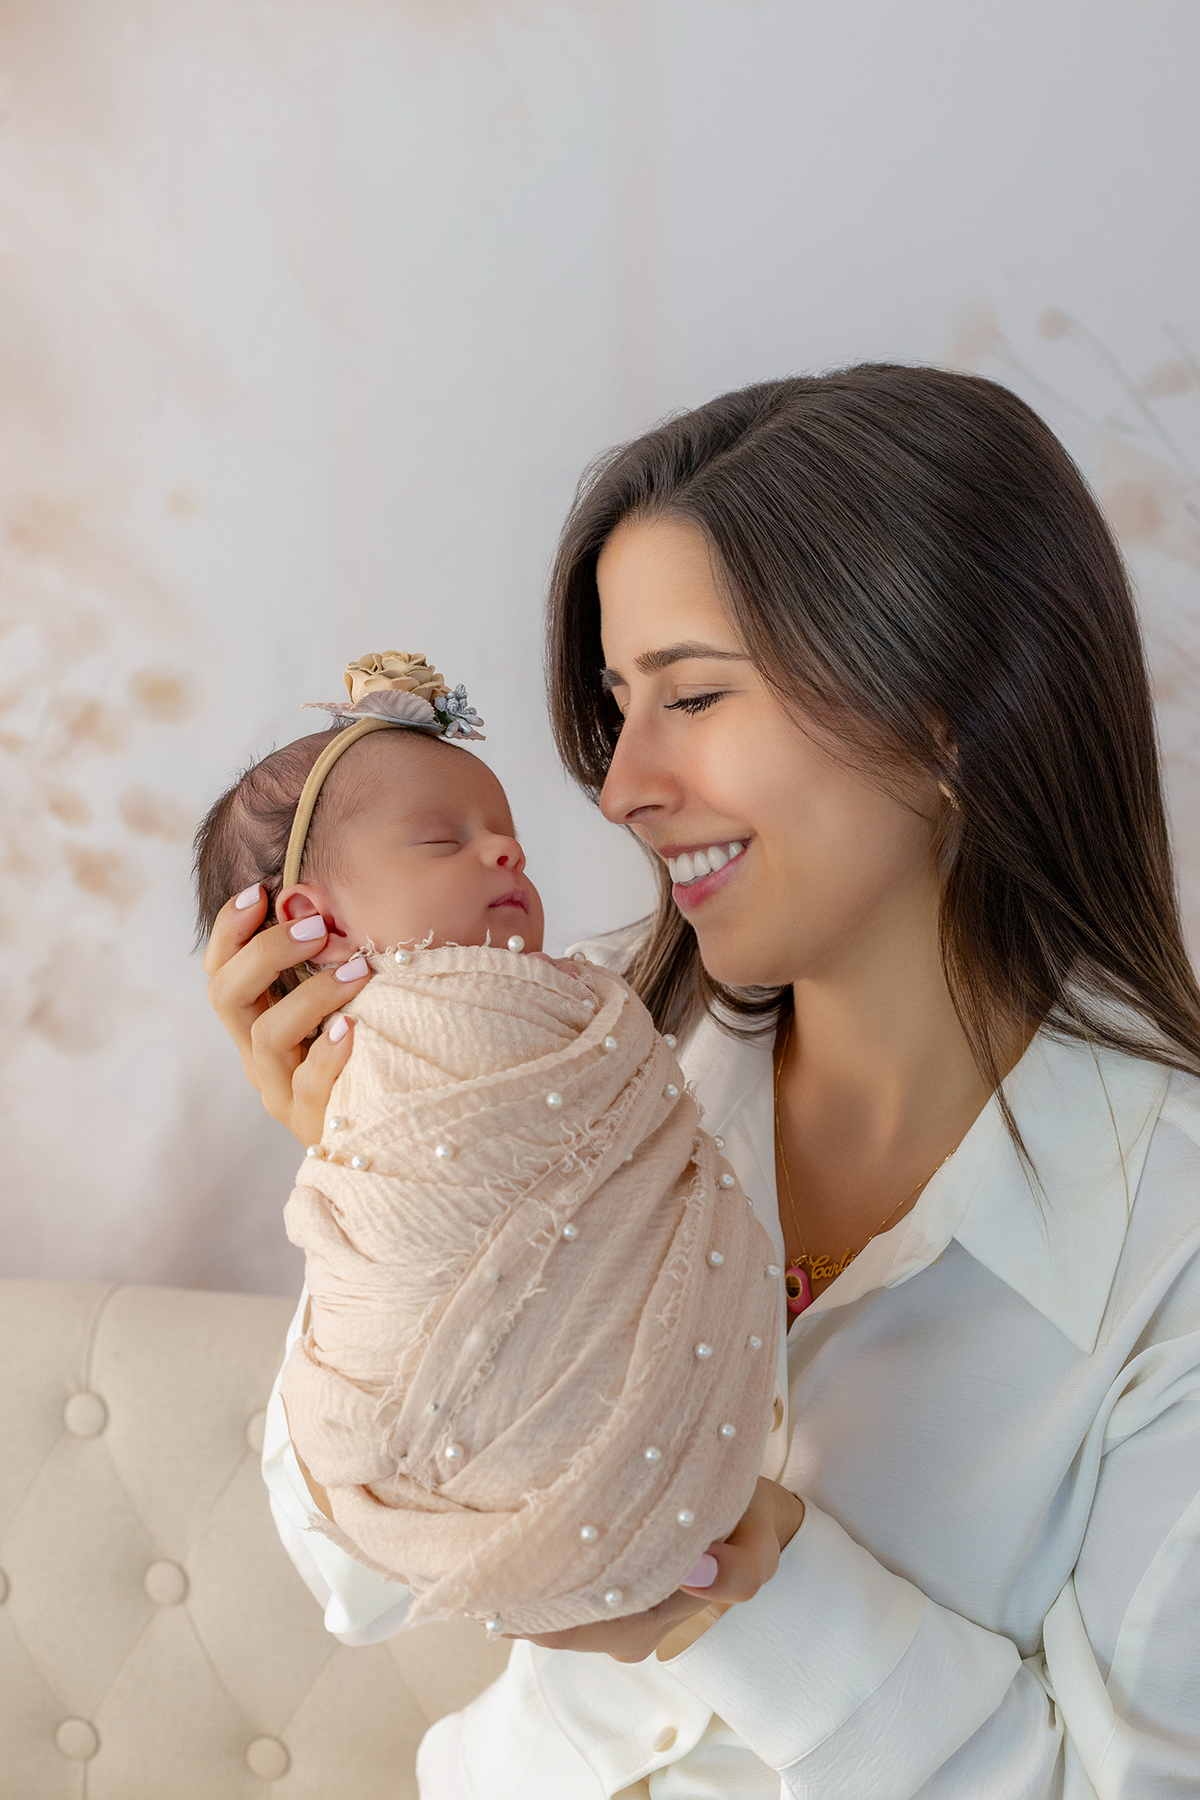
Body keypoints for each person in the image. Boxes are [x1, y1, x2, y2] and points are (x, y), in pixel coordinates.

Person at [204, 364, 1200, 1798]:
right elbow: (352, 1581)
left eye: (693, 696)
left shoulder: (1164, 1245)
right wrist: (390, 1200)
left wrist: (752, 1586)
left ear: (946, 710)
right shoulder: (568, 1045)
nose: (619, 788)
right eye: (621, 704)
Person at [192, 652, 780, 1640]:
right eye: (441, 840)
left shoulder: (592, 1020)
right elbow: (353, 1566)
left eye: (695, 696)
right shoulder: (545, 1008)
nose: (513, 853)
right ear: (307, 923)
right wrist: (366, 1160)